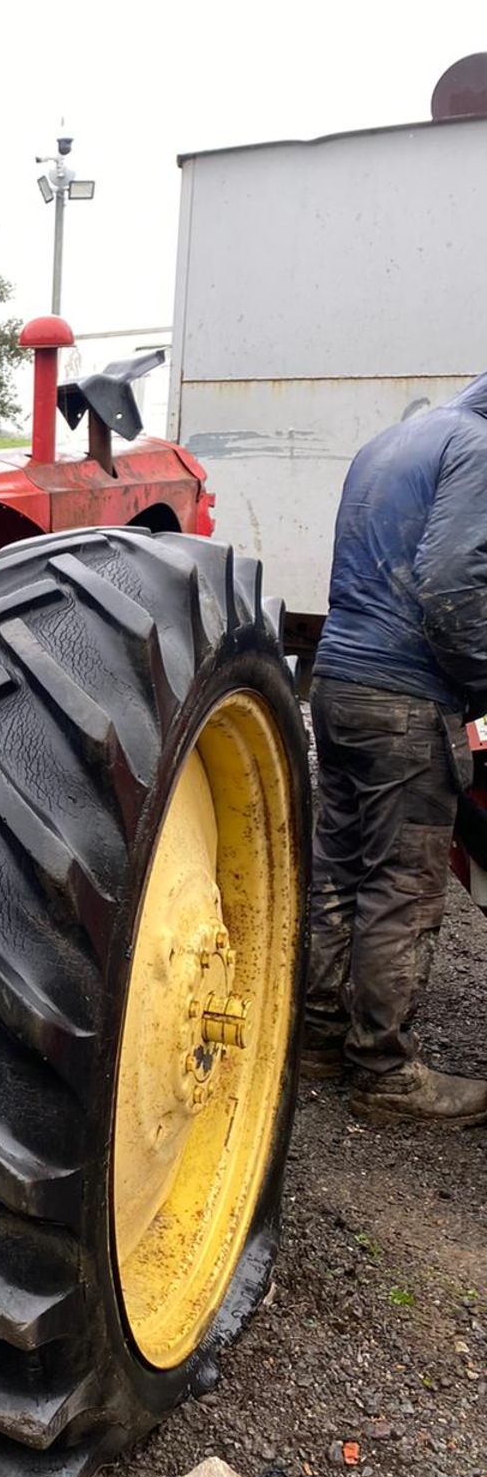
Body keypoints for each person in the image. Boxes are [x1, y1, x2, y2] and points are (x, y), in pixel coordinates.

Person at [304, 370, 487, 1125]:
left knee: (338, 871)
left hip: (337, 683)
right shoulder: (477, 449)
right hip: (406, 701)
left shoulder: (393, 439)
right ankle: (384, 1073)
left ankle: (316, 1039)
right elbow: (452, 586)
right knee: (400, 889)